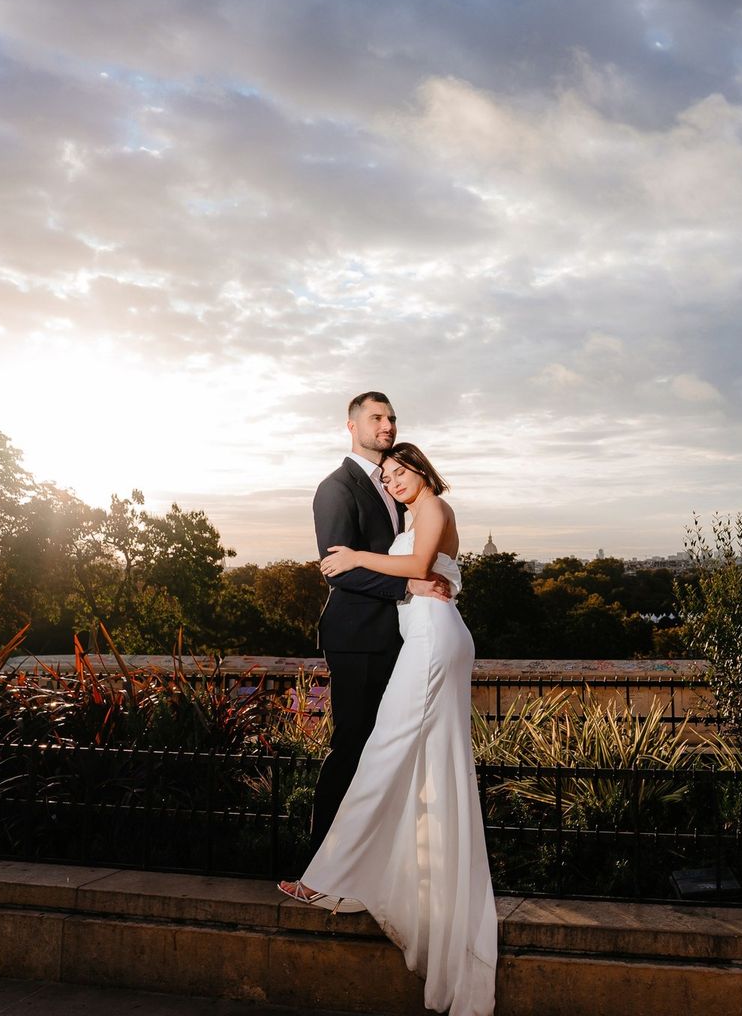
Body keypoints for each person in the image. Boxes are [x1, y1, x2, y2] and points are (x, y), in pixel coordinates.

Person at [279, 442, 497, 1016]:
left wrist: (353, 556)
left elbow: (419, 569)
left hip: (431, 641)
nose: (396, 481)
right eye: (390, 475)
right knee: (417, 760)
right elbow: (425, 573)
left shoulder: (433, 509)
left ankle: (329, 878)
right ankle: (379, 879)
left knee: (383, 754)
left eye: (404, 472)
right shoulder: (418, 511)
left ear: (423, 472)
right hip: (428, 637)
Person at [303, 392, 451, 856]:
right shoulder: (337, 487)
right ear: (352, 426)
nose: (386, 425)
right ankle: (321, 859)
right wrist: (408, 588)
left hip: (394, 636)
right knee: (352, 745)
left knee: (385, 748)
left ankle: (373, 856)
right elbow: (337, 567)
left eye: (391, 418)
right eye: (376, 418)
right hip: (356, 637)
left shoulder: (393, 489)